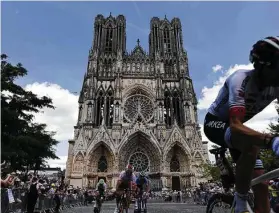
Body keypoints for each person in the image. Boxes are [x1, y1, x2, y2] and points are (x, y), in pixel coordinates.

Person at [204, 36, 279, 213]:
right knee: (251, 145)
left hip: (239, 130)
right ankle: (240, 201)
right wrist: (271, 141)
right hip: (216, 124)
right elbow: (236, 125)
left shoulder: (276, 86)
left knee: (262, 185)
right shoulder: (240, 80)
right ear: (264, 66)